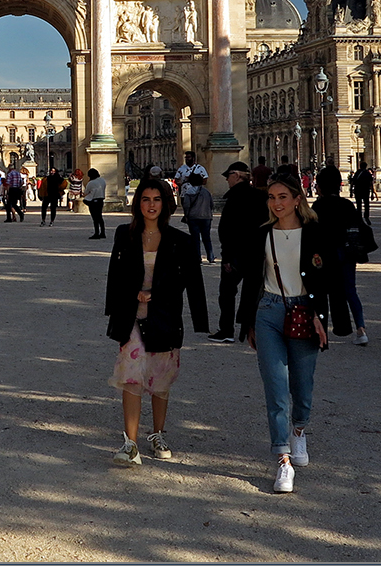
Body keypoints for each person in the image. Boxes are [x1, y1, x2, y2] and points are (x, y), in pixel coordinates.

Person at [235, 172, 342, 493]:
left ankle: (299, 430)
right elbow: (252, 281)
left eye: (283, 197)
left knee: (303, 384)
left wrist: (322, 317)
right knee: (276, 387)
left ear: (298, 199)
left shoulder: (315, 232)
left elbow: (327, 279)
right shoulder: (262, 234)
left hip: (305, 310)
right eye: (271, 197)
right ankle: (283, 459)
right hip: (268, 310)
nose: (276, 203)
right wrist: (249, 322)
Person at [104, 177, 209, 466]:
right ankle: (130, 444)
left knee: (160, 380)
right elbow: (116, 274)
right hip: (131, 316)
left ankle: (158, 433)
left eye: (157, 199)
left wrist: (200, 320)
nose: (151, 205)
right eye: (146, 199)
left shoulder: (182, 241)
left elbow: (191, 282)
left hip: (164, 316)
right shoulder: (124, 233)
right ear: (138, 203)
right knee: (131, 377)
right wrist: (122, 301)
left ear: (166, 203)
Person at [208, 162, 268, 344]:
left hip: (235, 255)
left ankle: (226, 329)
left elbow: (227, 230)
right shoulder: (260, 196)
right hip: (256, 253)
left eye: (228, 175)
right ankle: (249, 328)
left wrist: (226, 256)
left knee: (227, 293)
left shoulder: (234, 197)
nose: (226, 179)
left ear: (236, 175)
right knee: (251, 293)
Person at [312, 166, 372, 345]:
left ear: (320, 186)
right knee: (349, 290)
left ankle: (321, 331)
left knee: (322, 292)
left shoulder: (318, 206)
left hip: (325, 255)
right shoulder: (347, 204)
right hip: (346, 253)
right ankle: (360, 330)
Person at [181, 173, 215, 263]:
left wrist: (186, 215)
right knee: (206, 237)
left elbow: (186, 205)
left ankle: (197, 257)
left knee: (195, 238)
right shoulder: (206, 192)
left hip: (193, 217)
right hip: (206, 216)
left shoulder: (189, 192)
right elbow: (211, 204)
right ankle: (210, 257)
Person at [83, 168, 107, 239]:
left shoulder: (91, 183)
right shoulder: (102, 180)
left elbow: (86, 192)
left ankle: (97, 233)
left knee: (95, 218)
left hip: (93, 201)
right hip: (101, 199)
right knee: (100, 217)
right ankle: (102, 232)